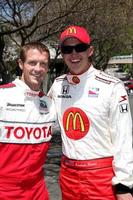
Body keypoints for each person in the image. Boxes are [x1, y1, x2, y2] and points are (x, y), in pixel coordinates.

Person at [48, 25, 133, 200]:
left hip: (102, 177)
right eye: (67, 49)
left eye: (79, 48)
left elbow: (123, 138)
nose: (74, 54)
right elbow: (43, 119)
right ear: (61, 53)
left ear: (90, 50)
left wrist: (124, 184)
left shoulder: (112, 86)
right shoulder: (57, 85)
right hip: (68, 175)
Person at [0, 41, 57, 200]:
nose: (38, 69)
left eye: (43, 64)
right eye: (32, 63)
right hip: (5, 189)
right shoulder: (2, 96)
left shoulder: (51, 104)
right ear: (20, 64)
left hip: (37, 189)